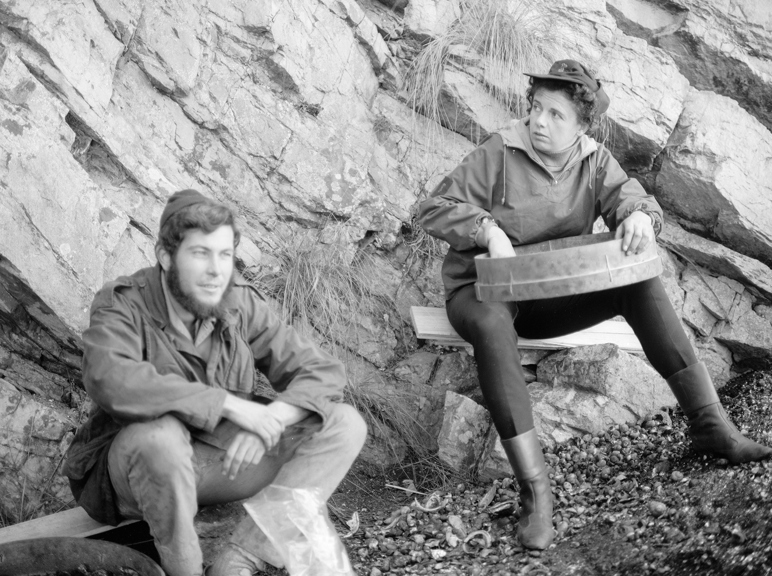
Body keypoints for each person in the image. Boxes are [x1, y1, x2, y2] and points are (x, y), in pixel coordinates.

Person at [418, 59, 771, 551]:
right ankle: (535, 491)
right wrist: (486, 230)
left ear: (581, 126)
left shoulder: (594, 160)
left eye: (555, 114)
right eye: (536, 108)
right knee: (492, 323)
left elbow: (633, 200)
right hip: (482, 293)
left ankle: (712, 428)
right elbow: (432, 207)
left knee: (639, 282)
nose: (539, 121)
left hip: (549, 294)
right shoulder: (499, 151)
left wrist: (641, 218)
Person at [63, 189, 367, 576]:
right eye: (200, 254)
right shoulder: (122, 302)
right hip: (143, 472)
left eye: (224, 255)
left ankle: (239, 558)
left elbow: (321, 370)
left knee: (343, 424)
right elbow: (111, 378)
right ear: (166, 256)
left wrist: (269, 421)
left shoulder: (235, 299)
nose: (215, 270)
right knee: (160, 438)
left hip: (224, 460)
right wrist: (227, 405)